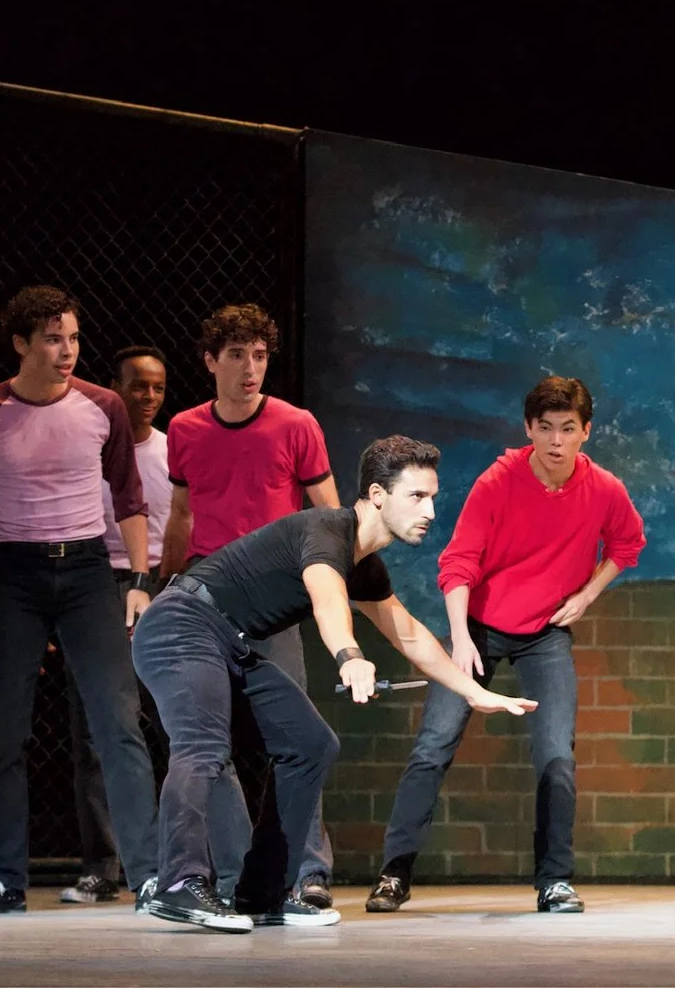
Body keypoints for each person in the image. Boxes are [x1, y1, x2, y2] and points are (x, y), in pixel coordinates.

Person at [131, 436, 535, 933]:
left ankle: (262, 893)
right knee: (203, 744)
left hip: (229, 643)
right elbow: (326, 597)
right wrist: (350, 655)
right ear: (377, 494)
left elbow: (407, 633)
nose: (430, 510)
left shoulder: (365, 565)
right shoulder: (329, 530)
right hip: (181, 624)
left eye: (433, 497)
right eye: (417, 496)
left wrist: (475, 692)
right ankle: (179, 882)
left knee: (310, 744)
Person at [371, 376, 646, 915]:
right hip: (474, 625)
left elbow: (627, 544)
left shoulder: (605, 489)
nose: (557, 440)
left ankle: (555, 881)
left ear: (586, 432)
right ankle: (394, 873)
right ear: (529, 429)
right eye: (545, 428)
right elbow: (458, 563)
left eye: (569, 428)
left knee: (556, 754)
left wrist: (587, 595)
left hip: (544, 634)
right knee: (434, 744)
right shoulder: (498, 481)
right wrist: (458, 639)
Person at [0, 286, 160, 914]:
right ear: (21, 344)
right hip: (15, 575)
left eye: (72, 338)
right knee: (1, 733)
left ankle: (148, 876)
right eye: (52, 339)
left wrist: (141, 582)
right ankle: (5, 878)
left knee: (119, 725)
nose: (66, 351)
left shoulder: (104, 406)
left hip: (90, 572)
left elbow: (128, 499)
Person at [160, 303, 338, 911]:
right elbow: (181, 516)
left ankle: (308, 873)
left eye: (260, 355)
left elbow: (328, 516)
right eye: (236, 355)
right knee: (213, 746)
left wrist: (329, 593)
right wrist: (159, 583)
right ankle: (244, 878)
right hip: (209, 602)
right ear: (211, 361)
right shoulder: (184, 429)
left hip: (273, 603)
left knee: (297, 741)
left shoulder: (296, 425)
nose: (250, 368)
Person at [60, 346, 172, 905]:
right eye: (137, 386)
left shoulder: (174, 453)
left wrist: (156, 589)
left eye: (157, 388)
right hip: (96, 588)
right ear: (114, 388)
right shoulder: (88, 446)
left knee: (176, 729)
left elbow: (179, 531)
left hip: (161, 589)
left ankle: (172, 864)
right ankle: (104, 865)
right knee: (97, 735)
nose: (148, 397)